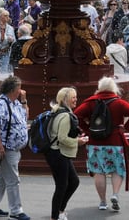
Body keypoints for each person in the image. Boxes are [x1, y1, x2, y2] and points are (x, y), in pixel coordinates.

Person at [74, 77, 129, 212]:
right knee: (117, 169)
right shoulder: (119, 103)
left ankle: (103, 202)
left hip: (96, 143)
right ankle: (115, 195)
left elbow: (76, 115)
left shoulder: (91, 102)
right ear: (113, 88)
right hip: (115, 142)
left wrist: (87, 129)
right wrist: (126, 127)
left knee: (99, 171)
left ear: (99, 87)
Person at [0, 75, 30, 220]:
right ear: (13, 89)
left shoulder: (14, 102)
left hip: (14, 148)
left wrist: (24, 101)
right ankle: (16, 211)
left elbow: (25, 116)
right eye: (19, 88)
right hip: (7, 148)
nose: (21, 90)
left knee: (2, 179)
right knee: (13, 180)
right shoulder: (0, 104)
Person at [45, 87, 88, 220]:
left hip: (58, 153)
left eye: (76, 96)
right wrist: (78, 142)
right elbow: (62, 138)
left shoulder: (58, 111)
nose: (76, 99)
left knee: (73, 182)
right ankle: (55, 216)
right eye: (73, 97)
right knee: (61, 186)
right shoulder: (64, 116)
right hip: (59, 154)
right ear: (65, 100)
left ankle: (60, 211)